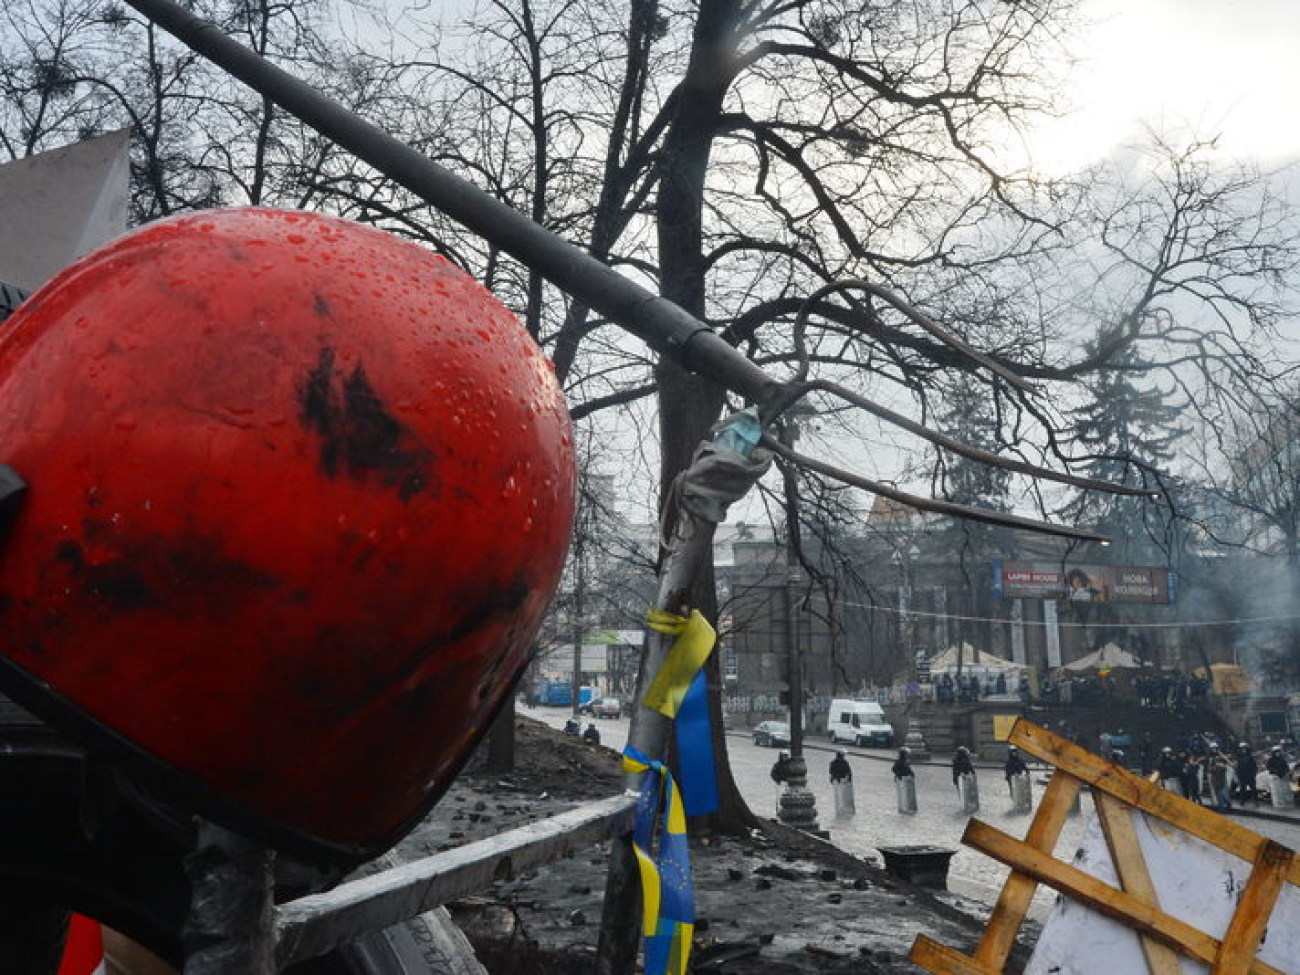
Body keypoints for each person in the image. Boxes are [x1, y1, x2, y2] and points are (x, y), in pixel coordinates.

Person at [829, 749, 855, 818]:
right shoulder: (844, 762)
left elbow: (831, 772)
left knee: (838, 796)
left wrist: (832, 779)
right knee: (843, 796)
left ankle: (839, 809)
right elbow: (849, 772)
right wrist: (849, 780)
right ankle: (843, 809)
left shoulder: (833, 762)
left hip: (836, 781)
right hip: (843, 781)